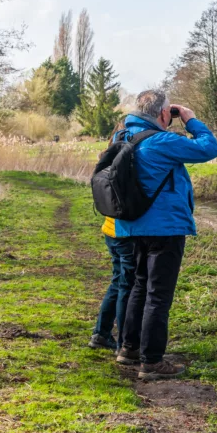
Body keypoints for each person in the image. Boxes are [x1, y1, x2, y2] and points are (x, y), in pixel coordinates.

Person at [113, 89, 217, 380]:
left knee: (138, 287)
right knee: (158, 296)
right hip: (165, 227)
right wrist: (191, 120)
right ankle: (152, 362)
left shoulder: (122, 137)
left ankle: (129, 349)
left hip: (132, 225)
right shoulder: (162, 141)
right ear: (163, 114)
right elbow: (209, 148)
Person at [88, 120, 135, 351]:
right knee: (126, 285)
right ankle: (123, 343)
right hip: (123, 232)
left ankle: (101, 334)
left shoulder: (109, 154)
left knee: (118, 282)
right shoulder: (127, 157)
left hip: (110, 229)